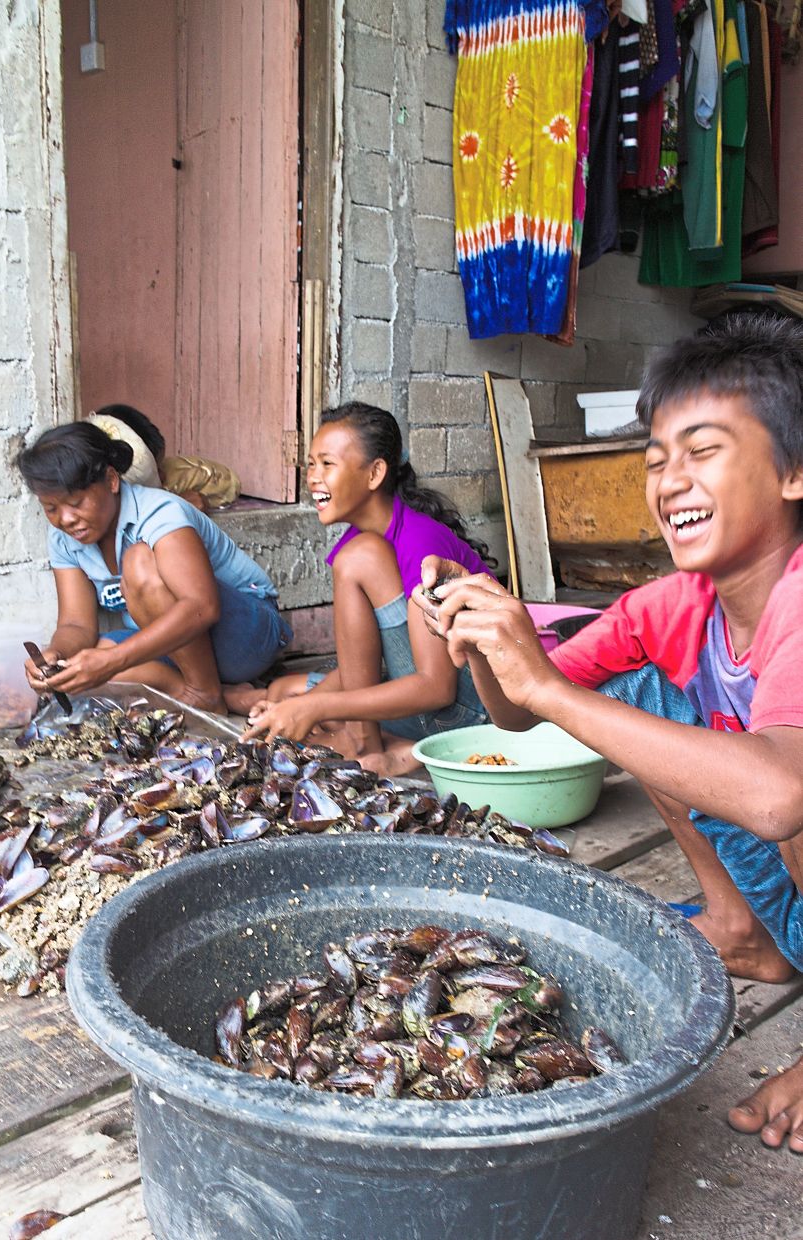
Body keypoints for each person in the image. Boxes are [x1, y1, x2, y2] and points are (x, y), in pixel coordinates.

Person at [413, 312, 803, 1153]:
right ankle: (744, 928)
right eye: (657, 461)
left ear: (794, 472)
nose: (669, 482)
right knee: (635, 696)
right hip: (788, 889)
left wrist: (548, 685)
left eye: (703, 452)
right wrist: (486, 627)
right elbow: (518, 712)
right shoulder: (669, 607)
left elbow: (778, 796)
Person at [242, 401, 496, 774]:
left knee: (311, 713)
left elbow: (437, 687)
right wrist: (297, 707)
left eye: (328, 464)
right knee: (283, 695)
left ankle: (368, 746)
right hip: (430, 696)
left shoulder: (416, 544)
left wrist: (318, 708)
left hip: (472, 711)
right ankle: (383, 746)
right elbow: (359, 661)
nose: (313, 477)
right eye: (311, 464)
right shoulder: (358, 541)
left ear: (375, 473)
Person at [17, 423, 291, 713]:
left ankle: (205, 694)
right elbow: (76, 624)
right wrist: (55, 655)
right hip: (176, 650)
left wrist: (114, 660)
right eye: (51, 508)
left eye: (76, 502)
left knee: (138, 563)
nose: (66, 518)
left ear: (111, 480)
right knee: (80, 670)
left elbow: (202, 607)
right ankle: (222, 695)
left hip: (245, 635)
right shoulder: (64, 537)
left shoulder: (160, 513)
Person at [86, 404, 241, 512]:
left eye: (158, 467)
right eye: (153, 471)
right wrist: (170, 506)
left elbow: (227, 482)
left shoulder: (169, 476)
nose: (163, 475)